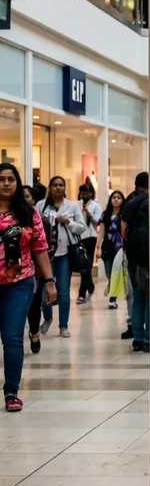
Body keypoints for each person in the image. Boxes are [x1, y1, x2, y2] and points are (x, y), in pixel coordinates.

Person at [0, 165, 56, 411]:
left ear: (18, 182)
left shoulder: (28, 213)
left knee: (12, 337)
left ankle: (11, 391)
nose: (6, 184)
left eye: (11, 179)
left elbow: (40, 247)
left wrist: (50, 280)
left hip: (20, 282)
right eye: (1, 180)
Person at [36, 176, 85, 338]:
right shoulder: (41, 205)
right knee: (44, 292)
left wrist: (67, 222)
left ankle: (63, 325)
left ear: (65, 188)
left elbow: (81, 228)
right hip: (45, 255)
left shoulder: (72, 206)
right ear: (50, 187)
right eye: (55, 185)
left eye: (61, 185)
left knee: (63, 292)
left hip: (64, 254)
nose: (58, 188)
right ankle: (48, 317)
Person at [121, 172, 149, 352]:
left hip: (134, 256)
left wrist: (129, 247)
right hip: (149, 257)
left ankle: (138, 337)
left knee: (138, 297)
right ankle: (149, 338)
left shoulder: (130, 201)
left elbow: (122, 228)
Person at [22, 186, 49, 354]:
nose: (24, 200)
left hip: (35, 272)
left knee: (33, 307)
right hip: (10, 272)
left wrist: (47, 276)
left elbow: (45, 248)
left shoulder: (40, 219)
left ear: (33, 199)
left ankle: (34, 332)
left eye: (27, 197)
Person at [96, 190, 126, 309]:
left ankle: (112, 299)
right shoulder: (105, 214)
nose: (116, 199)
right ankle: (110, 284)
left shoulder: (124, 214)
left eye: (119, 197)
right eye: (114, 197)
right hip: (107, 247)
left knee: (116, 272)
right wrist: (98, 247)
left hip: (119, 247)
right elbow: (101, 231)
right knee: (109, 272)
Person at [76, 183, 102, 304]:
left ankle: (82, 293)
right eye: (82, 193)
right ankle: (90, 286)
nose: (84, 195)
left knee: (87, 265)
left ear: (91, 193)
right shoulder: (76, 205)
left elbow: (97, 223)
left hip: (91, 237)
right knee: (83, 266)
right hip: (79, 238)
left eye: (86, 193)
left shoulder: (96, 206)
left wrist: (88, 213)